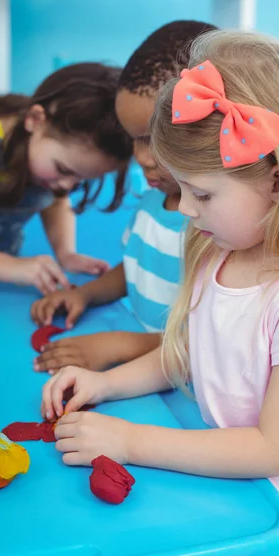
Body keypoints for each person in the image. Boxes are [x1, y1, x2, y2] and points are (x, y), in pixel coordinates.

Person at [42, 30, 279, 556]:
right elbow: (187, 356)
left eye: (200, 193)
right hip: (229, 499)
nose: (182, 210)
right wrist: (104, 384)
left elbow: (272, 449)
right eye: (179, 189)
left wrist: (127, 441)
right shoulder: (217, 251)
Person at [31, 20, 215, 373]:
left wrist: (123, 346)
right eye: (135, 138)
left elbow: (213, 339)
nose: (142, 159)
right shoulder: (151, 200)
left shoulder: (215, 226)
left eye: (156, 139)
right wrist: (84, 294)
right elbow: (136, 265)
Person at [0, 63, 132, 294]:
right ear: (35, 120)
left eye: (80, 179)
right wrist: (15, 268)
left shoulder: (45, 154)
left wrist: (66, 253)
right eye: (64, 169)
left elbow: (55, 199)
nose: (67, 186)